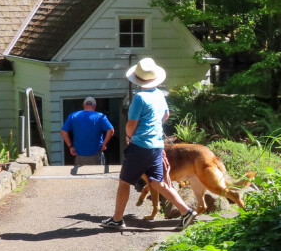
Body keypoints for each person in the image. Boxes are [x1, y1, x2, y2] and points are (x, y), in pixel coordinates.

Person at [102, 58, 196, 231]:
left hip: (140, 146)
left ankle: (117, 219)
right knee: (158, 183)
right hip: (156, 145)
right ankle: (187, 211)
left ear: (137, 78)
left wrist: (129, 136)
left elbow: (131, 124)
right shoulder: (160, 94)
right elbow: (165, 115)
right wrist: (154, 126)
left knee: (124, 182)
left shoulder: (139, 98)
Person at [61, 97, 114, 166]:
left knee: (80, 175)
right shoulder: (101, 117)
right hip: (96, 153)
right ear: (95, 106)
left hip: (79, 153)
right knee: (97, 175)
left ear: (83, 105)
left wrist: (70, 146)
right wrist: (104, 144)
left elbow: (63, 131)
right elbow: (111, 130)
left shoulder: (73, 116)